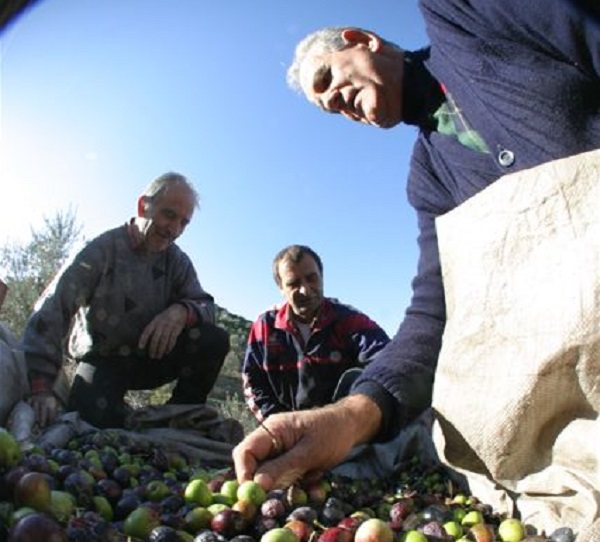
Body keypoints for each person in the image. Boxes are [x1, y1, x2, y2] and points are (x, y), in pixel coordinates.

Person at [233, 0, 600, 491]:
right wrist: (348, 417)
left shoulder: (464, 17)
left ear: (362, 40)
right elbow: (436, 313)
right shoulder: (429, 179)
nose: (335, 103)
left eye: (327, 80)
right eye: (326, 108)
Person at [20, 172, 230, 429]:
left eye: (184, 223)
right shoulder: (102, 249)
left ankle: (178, 419)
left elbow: (206, 305)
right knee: (90, 420)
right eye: (169, 215)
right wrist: (42, 388)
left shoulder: (177, 261)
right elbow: (53, 309)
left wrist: (180, 311)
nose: (174, 230)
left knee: (213, 339)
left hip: (152, 358)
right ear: (143, 206)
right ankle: (121, 413)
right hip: (104, 359)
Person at [242, 244, 389, 422]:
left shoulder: (348, 320)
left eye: (312, 278)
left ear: (322, 276)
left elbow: (387, 361)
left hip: (342, 428)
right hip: (283, 430)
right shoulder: (264, 326)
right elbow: (252, 381)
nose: (305, 289)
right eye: (294, 283)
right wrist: (275, 423)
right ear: (280, 287)